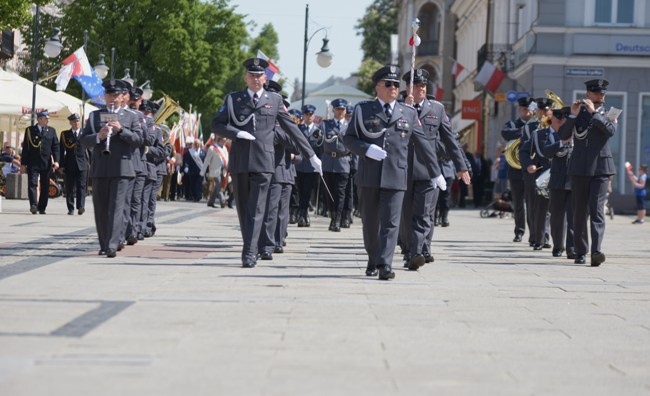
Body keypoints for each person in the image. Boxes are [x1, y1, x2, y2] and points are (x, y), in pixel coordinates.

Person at [211, 57, 321, 268]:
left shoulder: (275, 100)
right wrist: (237, 133)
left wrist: (311, 155)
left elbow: (291, 128)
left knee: (258, 207)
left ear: (265, 78)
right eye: (251, 75)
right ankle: (250, 245)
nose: (255, 79)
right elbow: (217, 125)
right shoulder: (234, 99)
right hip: (241, 161)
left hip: (264, 162)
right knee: (244, 209)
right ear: (246, 77)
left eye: (259, 75)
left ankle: (249, 253)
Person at [343, 65, 439, 280]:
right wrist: (366, 149)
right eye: (388, 84)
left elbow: (423, 144)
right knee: (370, 223)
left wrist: (436, 172)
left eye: (396, 84)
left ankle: (385, 264)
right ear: (378, 87)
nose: (394, 88)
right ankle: (373, 257)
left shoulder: (408, 112)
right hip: (369, 175)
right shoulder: (363, 110)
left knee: (391, 222)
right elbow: (348, 139)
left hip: (397, 175)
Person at [399, 68, 470, 269]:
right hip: (402, 168)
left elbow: (450, 140)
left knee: (422, 214)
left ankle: (417, 252)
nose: (420, 89)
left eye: (423, 86)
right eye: (416, 85)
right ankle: (408, 248)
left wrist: (461, 166)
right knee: (405, 215)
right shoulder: (397, 107)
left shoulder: (436, 109)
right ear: (408, 87)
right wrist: (405, 109)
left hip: (428, 169)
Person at [81, 79, 143, 257]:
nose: (113, 98)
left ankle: (112, 244)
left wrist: (122, 130)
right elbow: (83, 141)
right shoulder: (95, 116)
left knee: (117, 207)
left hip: (123, 168)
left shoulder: (132, 116)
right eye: (110, 95)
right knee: (100, 208)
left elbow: (139, 140)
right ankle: (103, 243)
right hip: (101, 167)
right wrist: (98, 136)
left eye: (116, 95)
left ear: (124, 97)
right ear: (105, 96)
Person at [558, 79, 617, 266]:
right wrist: (574, 116)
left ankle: (596, 251)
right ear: (588, 94)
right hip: (579, 168)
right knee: (579, 212)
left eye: (603, 94)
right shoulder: (576, 112)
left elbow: (610, 131)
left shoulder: (610, 113)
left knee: (597, 210)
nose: (602, 96)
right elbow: (563, 135)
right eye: (598, 93)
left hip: (601, 169)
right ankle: (581, 251)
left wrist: (594, 112)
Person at [501, 97, 538, 242]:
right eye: (524, 109)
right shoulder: (512, 124)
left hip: (532, 168)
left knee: (532, 203)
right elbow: (506, 133)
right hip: (515, 170)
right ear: (519, 110)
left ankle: (534, 233)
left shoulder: (537, 125)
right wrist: (524, 130)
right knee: (518, 203)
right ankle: (519, 231)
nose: (527, 112)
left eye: (529, 109)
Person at [520, 97, 555, 250]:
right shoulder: (530, 128)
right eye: (542, 110)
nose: (544, 113)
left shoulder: (557, 125)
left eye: (547, 110)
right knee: (534, 206)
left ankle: (544, 237)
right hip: (535, 172)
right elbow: (526, 149)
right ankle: (535, 235)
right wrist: (529, 165)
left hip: (552, 171)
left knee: (546, 208)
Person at [542, 106, 576, 258]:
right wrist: (562, 142)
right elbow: (546, 151)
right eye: (561, 120)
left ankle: (572, 248)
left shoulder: (580, 135)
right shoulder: (553, 135)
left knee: (573, 217)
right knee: (556, 216)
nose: (563, 122)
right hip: (557, 181)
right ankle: (558, 245)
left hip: (574, 180)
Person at [20, 111, 60, 214]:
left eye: (48, 118)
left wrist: (56, 161)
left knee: (45, 185)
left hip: (46, 163)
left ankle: (42, 207)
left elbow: (55, 147)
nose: (48, 120)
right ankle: (33, 205)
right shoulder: (30, 130)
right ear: (40, 119)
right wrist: (23, 164)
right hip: (33, 162)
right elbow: (26, 148)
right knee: (32, 184)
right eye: (46, 118)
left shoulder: (51, 131)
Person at [321, 98, 351, 232]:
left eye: (342, 109)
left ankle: (337, 219)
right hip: (328, 162)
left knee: (340, 193)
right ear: (333, 110)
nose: (340, 112)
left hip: (343, 162)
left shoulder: (350, 126)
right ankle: (332, 216)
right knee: (329, 193)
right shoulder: (325, 124)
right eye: (338, 109)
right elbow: (319, 141)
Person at [294, 104, 323, 227]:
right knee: (300, 191)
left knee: (307, 192)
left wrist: (320, 164)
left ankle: (302, 214)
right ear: (303, 115)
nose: (309, 116)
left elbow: (320, 149)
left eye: (311, 114)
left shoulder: (318, 131)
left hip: (311, 167)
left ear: (314, 115)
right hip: (299, 165)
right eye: (306, 114)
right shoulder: (298, 129)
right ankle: (303, 215)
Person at [59, 114, 89, 215]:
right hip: (70, 163)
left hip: (82, 163)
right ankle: (70, 208)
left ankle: (81, 206)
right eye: (74, 121)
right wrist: (61, 165)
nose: (76, 123)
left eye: (77, 121)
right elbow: (61, 151)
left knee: (81, 186)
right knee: (70, 187)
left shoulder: (84, 133)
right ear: (70, 122)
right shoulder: (65, 134)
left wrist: (92, 162)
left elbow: (90, 149)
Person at [201, 135, 226, 208]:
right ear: (220, 140)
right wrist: (203, 171)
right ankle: (223, 201)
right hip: (215, 171)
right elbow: (207, 160)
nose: (225, 142)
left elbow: (226, 159)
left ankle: (210, 202)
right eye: (224, 140)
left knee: (216, 188)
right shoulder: (212, 148)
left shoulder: (224, 148)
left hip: (223, 170)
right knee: (219, 185)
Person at [183, 137, 204, 202]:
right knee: (193, 184)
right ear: (194, 144)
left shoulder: (203, 152)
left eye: (198, 143)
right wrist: (186, 167)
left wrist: (207, 171)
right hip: (192, 170)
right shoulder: (190, 152)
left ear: (200, 144)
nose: (197, 144)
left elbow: (206, 162)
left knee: (199, 183)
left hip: (201, 170)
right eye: (195, 143)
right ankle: (194, 195)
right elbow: (187, 160)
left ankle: (199, 195)